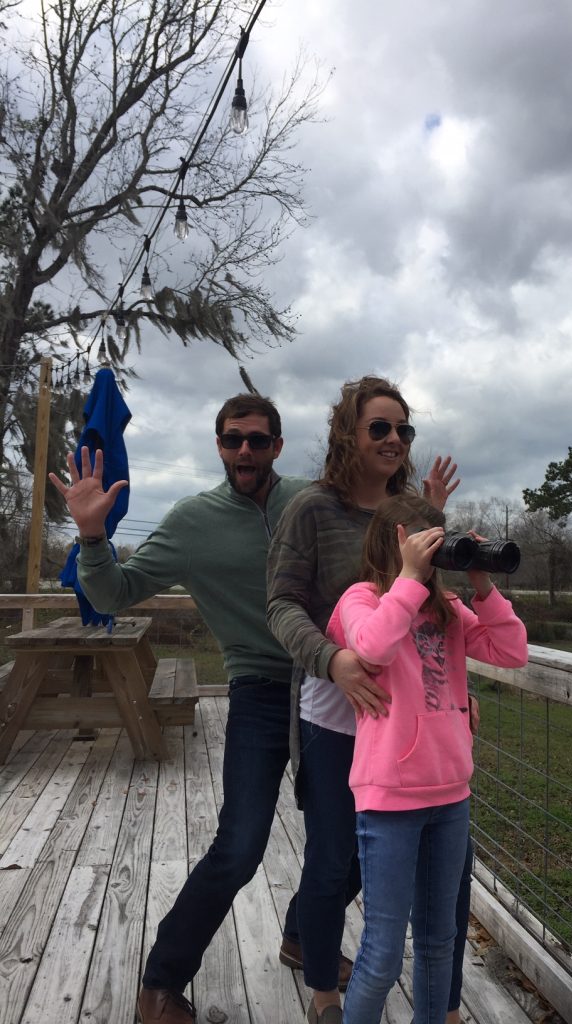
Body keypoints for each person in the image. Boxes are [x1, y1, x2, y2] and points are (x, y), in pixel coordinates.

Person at [48, 393, 323, 1024]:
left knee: (349, 832)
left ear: (278, 446)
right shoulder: (192, 521)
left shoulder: (313, 501)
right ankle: (160, 983)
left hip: (328, 684)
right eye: (232, 440)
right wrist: (92, 536)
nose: (244, 451)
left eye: (257, 440)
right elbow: (115, 591)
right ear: (219, 446)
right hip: (256, 689)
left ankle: (304, 937)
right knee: (242, 843)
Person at [267, 376, 468, 1024]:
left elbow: (433, 606)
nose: (394, 439)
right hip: (336, 711)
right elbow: (282, 604)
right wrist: (332, 659)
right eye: (379, 427)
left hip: (409, 721)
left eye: (403, 430)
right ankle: (326, 988)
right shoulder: (311, 509)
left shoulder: (409, 507)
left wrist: (433, 517)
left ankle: (437, 1003)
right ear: (347, 435)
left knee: (408, 875)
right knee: (333, 859)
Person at [327, 493, 528, 1024]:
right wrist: (409, 579)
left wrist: (483, 584)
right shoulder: (361, 599)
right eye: (426, 543)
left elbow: (512, 652)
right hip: (389, 797)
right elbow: (369, 649)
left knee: (441, 942)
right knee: (384, 949)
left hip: (450, 795)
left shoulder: (450, 609)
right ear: (397, 543)